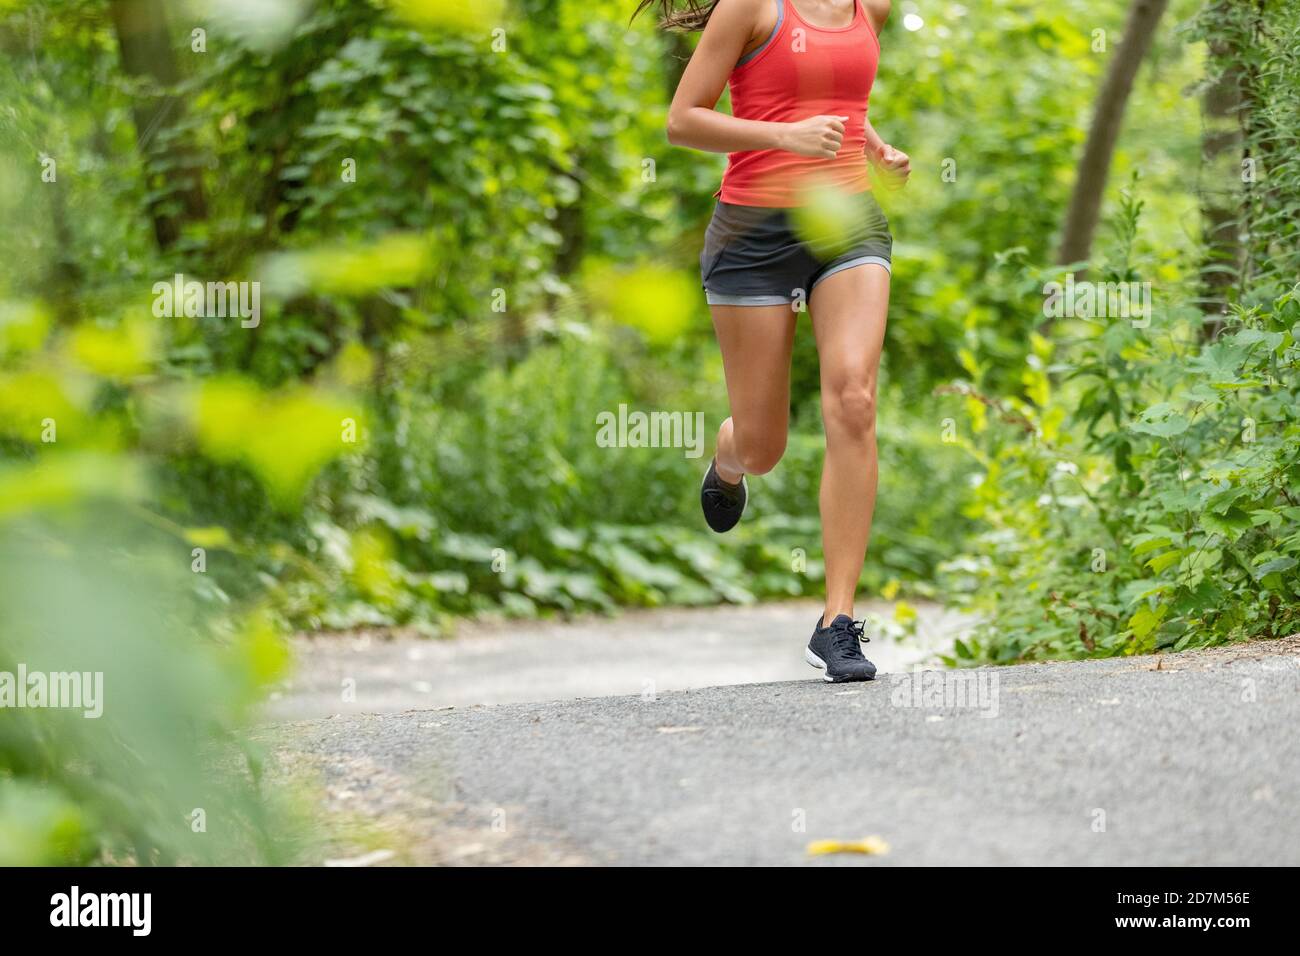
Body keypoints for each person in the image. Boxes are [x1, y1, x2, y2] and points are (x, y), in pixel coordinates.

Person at [634, 0, 911, 682]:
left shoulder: (868, 7)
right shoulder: (751, 7)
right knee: (764, 446)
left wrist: (871, 145)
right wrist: (786, 139)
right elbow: (683, 120)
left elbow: (831, 91)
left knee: (854, 399)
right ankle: (730, 459)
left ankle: (837, 620)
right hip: (752, 238)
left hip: (848, 224)